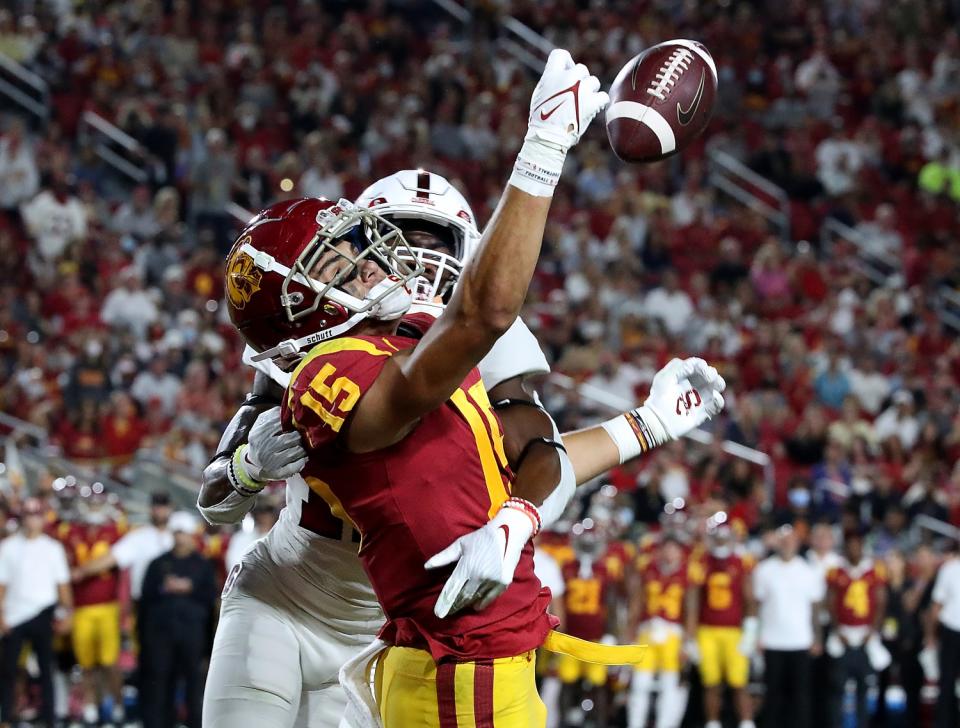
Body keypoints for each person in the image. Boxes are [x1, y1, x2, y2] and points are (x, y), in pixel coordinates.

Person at [199, 61, 724, 728]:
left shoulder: (464, 334)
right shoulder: (319, 352)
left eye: (431, 241)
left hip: (392, 625)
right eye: (393, 241)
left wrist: (536, 504)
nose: (409, 262)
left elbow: (538, 453)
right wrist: (245, 470)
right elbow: (216, 493)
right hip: (291, 597)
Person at [139, 511, 217, 728]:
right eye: (177, 532)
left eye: (184, 532)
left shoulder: (203, 565)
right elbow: (146, 598)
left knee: (195, 685)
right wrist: (164, 588)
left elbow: (211, 599)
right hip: (161, 635)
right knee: (160, 684)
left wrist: (190, 588)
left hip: (192, 635)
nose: (180, 537)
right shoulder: (158, 564)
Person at [0, 497, 73, 728]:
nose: (32, 520)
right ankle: (7, 717)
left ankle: (50, 718)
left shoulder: (52, 548)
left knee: (46, 670)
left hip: (43, 612)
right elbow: (2, 584)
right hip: (14, 615)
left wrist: (67, 613)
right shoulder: (9, 547)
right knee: (9, 670)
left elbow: (63, 585)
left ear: (42, 518)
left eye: (36, 515)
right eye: (28, 515)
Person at [753, 525, 825, 728]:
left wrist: (817, 638)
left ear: (797, 543)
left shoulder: (808, 571)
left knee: (801, 695)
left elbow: (815, 608)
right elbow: (756, 606)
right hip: (772, 640)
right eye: (783, 541)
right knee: (773, 694)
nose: (786, 545)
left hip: (800, 641)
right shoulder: (764, 570)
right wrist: (756, 637)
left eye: (790, 541)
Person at [63, 493, 126, 725]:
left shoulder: (115, 531)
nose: (93, 506)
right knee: (86, 664)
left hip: (107, 605)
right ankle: (90, 705)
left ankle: (117, 704)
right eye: (90, 502)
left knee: (110, 662)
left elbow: (117, 559)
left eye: (97, 502)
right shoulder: (71, 532)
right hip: (81, 607)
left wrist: (82, 572)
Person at [686, 523, 757, 728]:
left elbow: (749, 598)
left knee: (739, 682)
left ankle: (746, 722)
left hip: (734, 630)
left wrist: (751, 630)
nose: (720, 542)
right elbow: (693, 600)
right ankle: (713, 723)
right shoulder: (702, 562)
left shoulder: (741, 562)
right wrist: (690, 636)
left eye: (724, 538)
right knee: (711, 682)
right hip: (707, 630)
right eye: (717, 537)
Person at [824, 530, 887, 728]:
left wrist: (873, 630)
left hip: (865, 635)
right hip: (844, 634)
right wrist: (837, 630)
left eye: (857, 545)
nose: (853, 549)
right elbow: (831, 602)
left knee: (863, 686)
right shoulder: (837, 571)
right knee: (837, 687)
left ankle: (863, 724)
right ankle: (836, 723)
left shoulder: (874, 570)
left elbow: (881, 601)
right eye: (850, 546)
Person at [627, 533, 691, 728]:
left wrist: (688, 642)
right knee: (639, 684)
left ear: (681, 553)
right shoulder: (648, 570)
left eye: (674, 549)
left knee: (669, 685)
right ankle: (635, 724)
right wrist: (630, 633)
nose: (670, 553)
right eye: (666, 548)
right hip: (648, 629)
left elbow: (691, 610)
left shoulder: (687, 574)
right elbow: (637, 603)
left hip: (673, 633)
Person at [557, 521, 617, 727]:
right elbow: (558, 602)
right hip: (570, 636)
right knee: (567, 681)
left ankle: (599, 723)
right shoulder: (566, 567)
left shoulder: (604, 569)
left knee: (598, 684)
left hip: (595, 636)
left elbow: (611, 603)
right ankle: (564, 722)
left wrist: (611, 633)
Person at [927, 545, 960, 728]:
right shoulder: (949, 569)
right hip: (950, 632)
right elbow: (936, 605)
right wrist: (931, 636)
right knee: (946, 683)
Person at [224, 502, 278, 573]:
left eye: (267, 514)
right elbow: (233, 562)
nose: (264, 518)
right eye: (261, 514)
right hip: (245, 578)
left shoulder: (277, 538)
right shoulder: (241, 538)